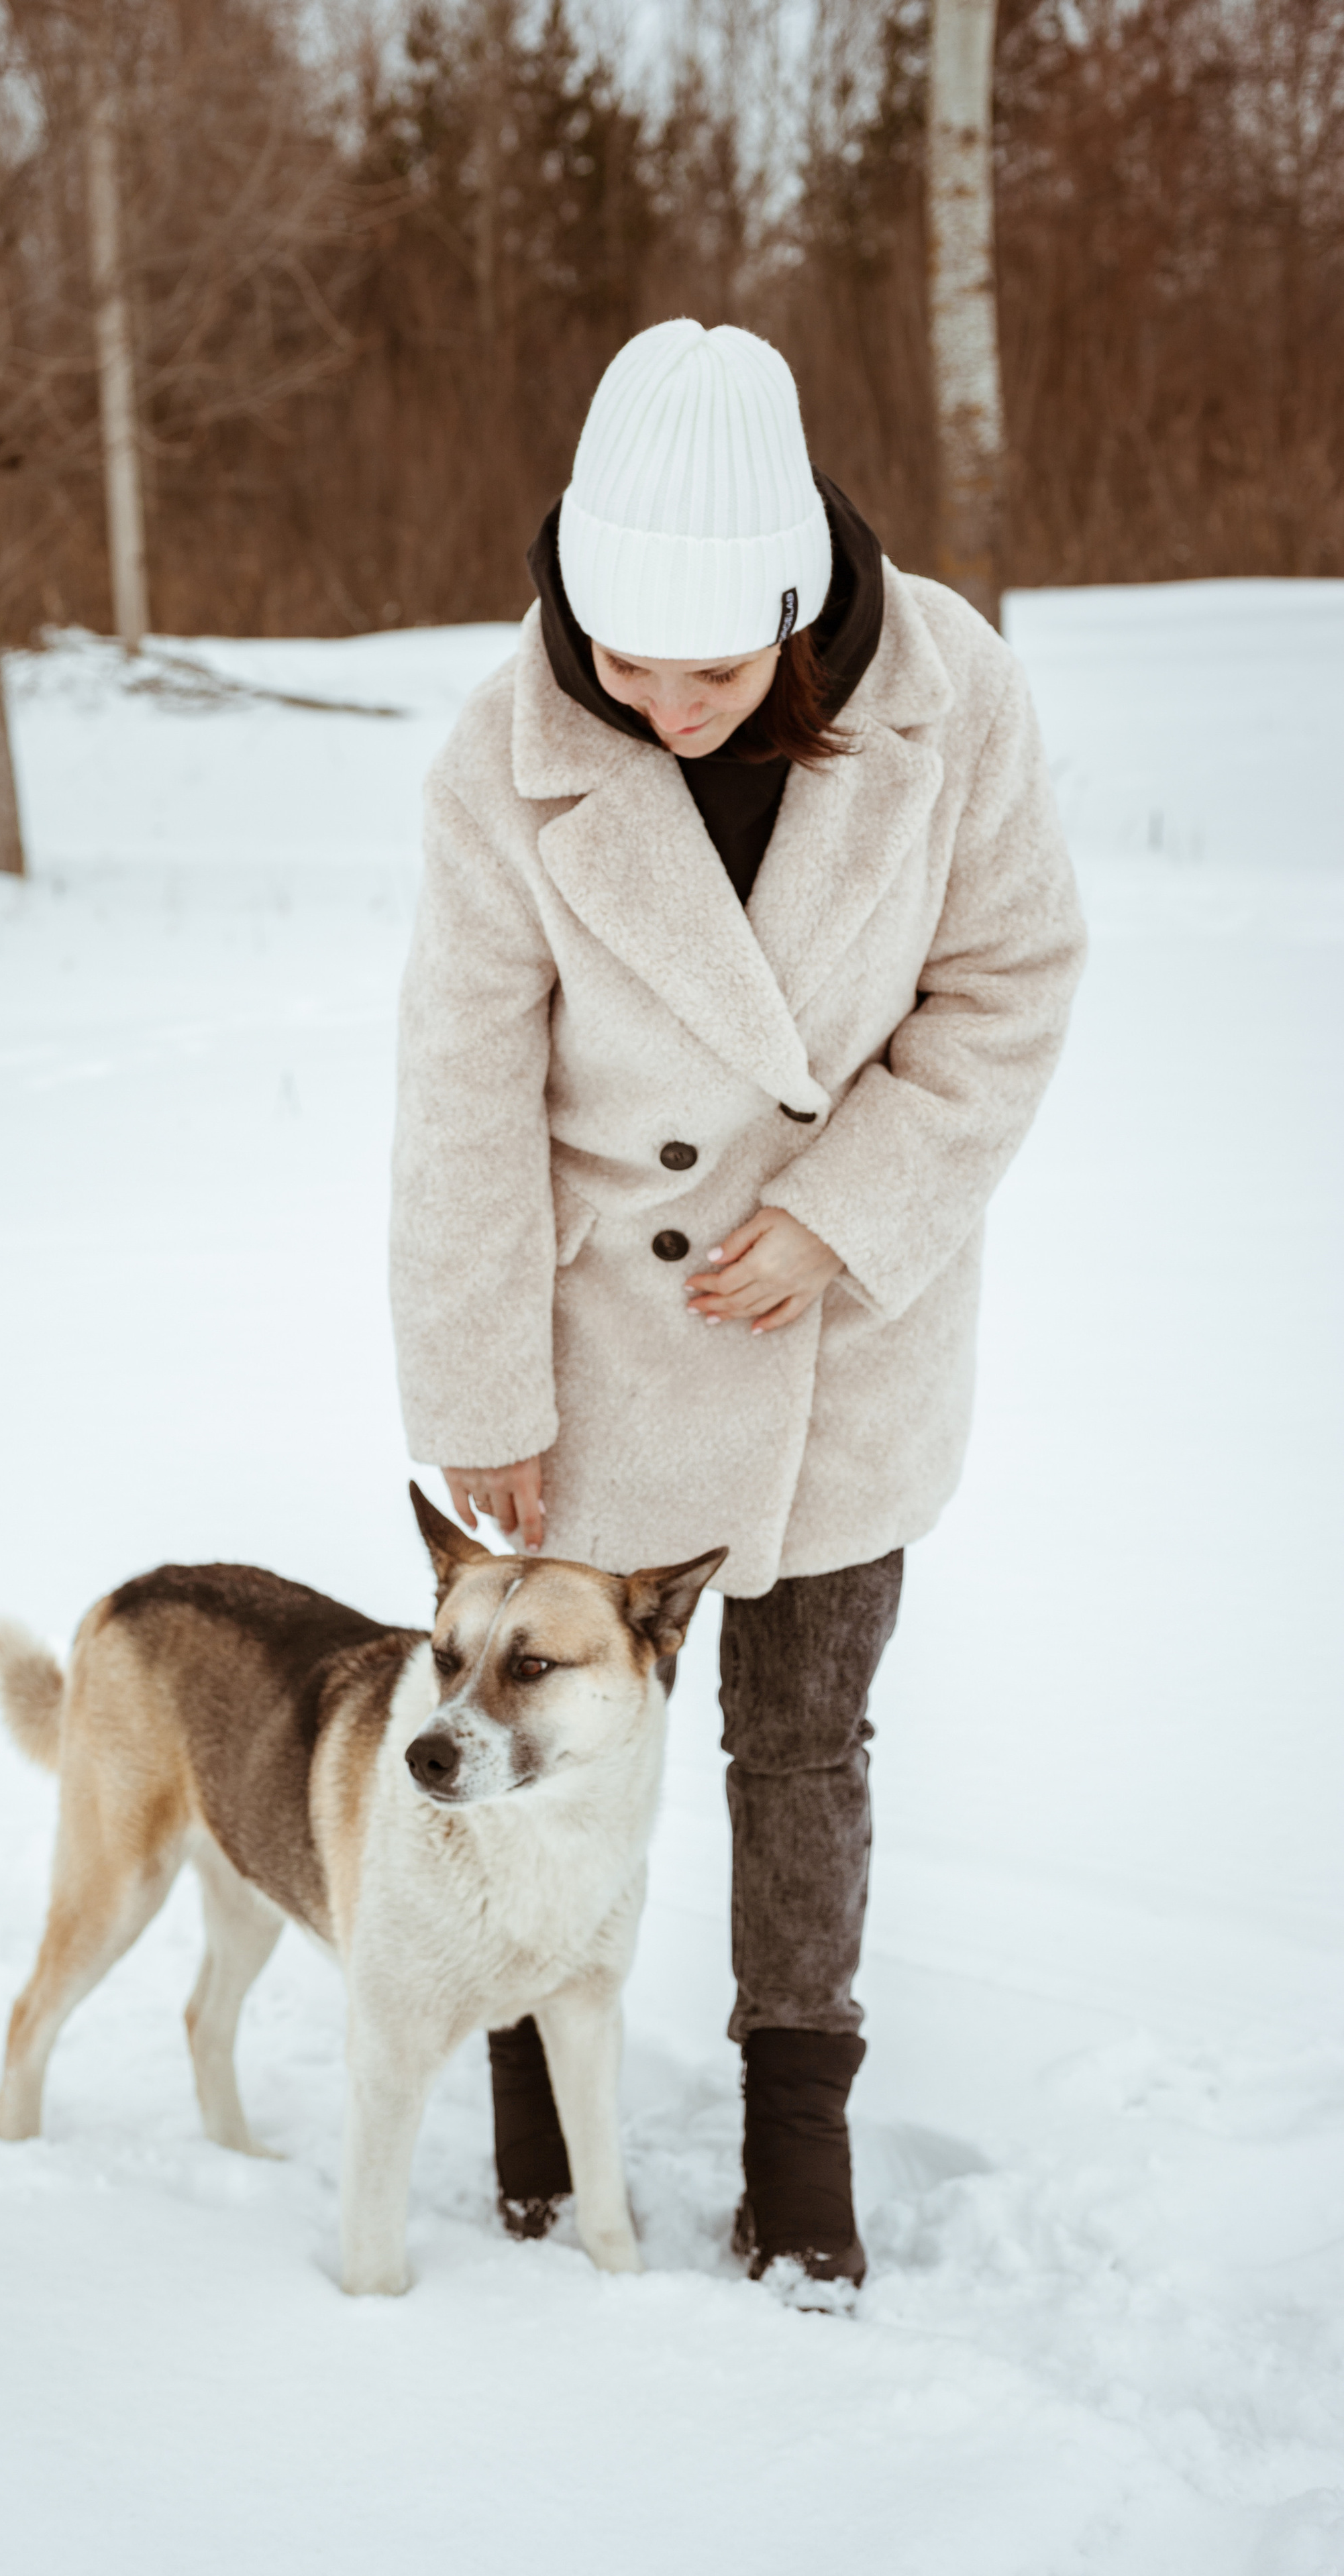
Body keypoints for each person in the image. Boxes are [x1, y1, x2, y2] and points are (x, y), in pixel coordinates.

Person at [389, 319, 1085, 2290]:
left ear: (798, 604)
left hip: (850, 1337)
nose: (665, 703)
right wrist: (478, 1379)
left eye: (712, 665)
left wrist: (850, 1215)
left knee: (804, 1745)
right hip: (608, 1348)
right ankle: (531, 2081)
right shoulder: (503, 755)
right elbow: (461, 1084)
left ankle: (800, 2135)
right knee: (541, 1734)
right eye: (626, 658)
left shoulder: (958, 702)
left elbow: (1010, 984)